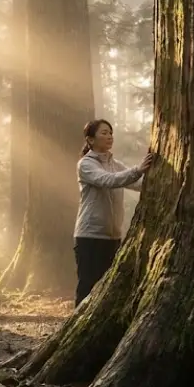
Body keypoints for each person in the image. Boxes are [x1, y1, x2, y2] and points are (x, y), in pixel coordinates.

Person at [73, 119, 154, 307]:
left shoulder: (114, 164)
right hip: (90, 236)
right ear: (90, 140)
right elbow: (108, 180)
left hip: (113, 237)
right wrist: (138, 169)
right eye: (104, 133)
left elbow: (135, 183)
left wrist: (161, 183)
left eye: (110, 133)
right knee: (88, 286)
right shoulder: (86, 165)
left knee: (108, 288)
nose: (109, 136)